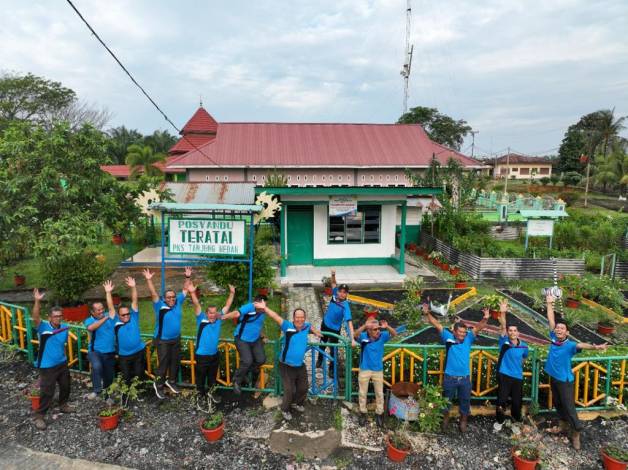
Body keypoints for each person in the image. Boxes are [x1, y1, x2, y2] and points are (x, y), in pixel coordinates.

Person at [544, 293, 608, 450]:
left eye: (562, 328)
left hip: (565, 381)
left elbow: (581, 345)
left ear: (567, 333)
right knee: (558, 404)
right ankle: (562, 425)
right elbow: (551, 319)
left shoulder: (570, 345)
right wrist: (549, 303)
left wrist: (595, 347)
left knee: (568, 407)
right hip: (554, 377)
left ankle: (576, 432)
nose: (558, 329)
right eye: (558, 328)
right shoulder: (553, 337)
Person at [423, 302, 490, 432]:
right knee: (446, 400)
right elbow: (437, 324)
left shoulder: (469, 338)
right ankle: (445, 419)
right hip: (450, 377)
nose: (462, 334)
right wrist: (427, 314)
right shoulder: (448, 337)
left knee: (465, 400)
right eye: (460, 332)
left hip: (464, 378)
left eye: (464, 332)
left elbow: (478, 327)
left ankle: (463, 421)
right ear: (454, 331)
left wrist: (486, 318)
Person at [262, 302, 323, 420]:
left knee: (303, 388)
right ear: (293, 318)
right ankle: (285, 409)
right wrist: (265, 308)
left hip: (299, 365)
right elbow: (276, 317)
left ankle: (296, 403)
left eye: (302, 317)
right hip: (286, 365)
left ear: (304, 318)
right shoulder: (288, 326)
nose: (299, 319)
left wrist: (316, 332)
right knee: (289, 390)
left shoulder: (306, 326)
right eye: (297, 317)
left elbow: (310, 326)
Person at [143, 267, 191, 399]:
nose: (171, 299)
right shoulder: (160, 306)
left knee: (175, 361)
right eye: (169, 297)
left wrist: (187, 277)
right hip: (162, 340)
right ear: (164, 298)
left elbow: (185, 290)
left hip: (175, 338)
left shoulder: (178, 303)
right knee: (163, 363)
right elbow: (153, 294)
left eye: (173, 297)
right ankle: (158, 385)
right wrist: (149, 280)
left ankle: (172, 382)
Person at [31, 288, 74, 430]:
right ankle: (40, 416)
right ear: (49, 317)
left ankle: (63, 405)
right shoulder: (43, 327)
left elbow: (60, 345)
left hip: (61, 363)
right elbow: (35, 317)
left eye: (60, 316)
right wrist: (37, 301)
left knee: (66, 385)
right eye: (55, 316)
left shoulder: (65, 327)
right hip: (47, 365)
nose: (58, 318)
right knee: (47, 391)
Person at [188, 283, 238, 404]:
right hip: (202, 355)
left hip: (214, 354)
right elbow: (196, 304)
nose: (213, 315)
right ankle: (200, 395)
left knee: (212, 377)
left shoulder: (219, 319)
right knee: (200, 377)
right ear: (206, 313)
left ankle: (212, 393)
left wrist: (232, 293)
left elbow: (227, 306)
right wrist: (192, 293)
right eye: (211, 312)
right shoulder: (202, 319)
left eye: (215, 312)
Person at [354, 318, 397, 427]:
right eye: (374, 329)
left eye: (378, 329)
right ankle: (363, 412)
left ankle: (379, 413)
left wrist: (387, 327)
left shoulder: (382, 336)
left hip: (378, 370)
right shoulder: (363, 337)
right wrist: (364, 325)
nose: (377, 331)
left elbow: (394, 334)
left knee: (379, 393)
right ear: (368, 330)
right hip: (365, 368)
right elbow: (355, 335)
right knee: (362, 393)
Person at [494, 298, 528, 431]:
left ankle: (514, 423)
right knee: (501, 401)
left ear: (518, 333)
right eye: (510, 331)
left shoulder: (524, 346)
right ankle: (500, 421)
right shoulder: (504, 342)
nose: (512, 332)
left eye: (515, 331)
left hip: (517, 377)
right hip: (504, 375)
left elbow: (524, 358)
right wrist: (503, 313)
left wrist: (517, 366)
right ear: (508, 332)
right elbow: (503, 326)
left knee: (516, 402)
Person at [316, 269, 356, 376]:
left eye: (344, 292)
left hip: (335, 329)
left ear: (347, 294)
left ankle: (331, 369)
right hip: (325, 324)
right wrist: (333, 274)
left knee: (333, 349)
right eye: (340, 291)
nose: (342, 294)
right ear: (337, 291)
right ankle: (320, 359)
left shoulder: (345, 306)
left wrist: (352, 339)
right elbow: (333, 283)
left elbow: (349, 323)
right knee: (322, 343)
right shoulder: (334, 295)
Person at [106, 277, 146, 384]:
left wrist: (133, 287)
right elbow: (110, 308)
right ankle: (126, 398)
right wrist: (108, 292)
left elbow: (135, 302)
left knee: (139, 376)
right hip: (124, 356)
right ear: (118, 315)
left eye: (128, 314)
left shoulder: (134, 318)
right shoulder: (115, 322)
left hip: (139, 352)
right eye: (123, 314)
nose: (126, 316)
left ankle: (139, 395)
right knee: (126, 378)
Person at [232, 293, 269, 395]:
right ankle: (236, 380)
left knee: (261, 359)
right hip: (241, 338)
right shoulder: (248, 309)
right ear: (256, 304)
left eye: (265, 305)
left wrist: (263, 336)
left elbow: (258, 325)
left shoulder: (263, 312)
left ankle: (245, 373)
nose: (264, 308)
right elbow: (236, 314)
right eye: (262, 305)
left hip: (255, 339)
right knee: (247, 360)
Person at [84, 298, 116, 400]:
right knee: (97, 366)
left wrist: (108, 292)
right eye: (98, 310)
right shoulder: (90, 320)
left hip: (110, 351)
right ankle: (96, 390)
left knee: (109, 375)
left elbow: (111, 309)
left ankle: (107, 396)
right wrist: (106, 318)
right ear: (92, 312)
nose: (101, 311)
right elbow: (91, 328)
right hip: (95, 351)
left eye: (102, 308)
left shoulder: (109, 316)